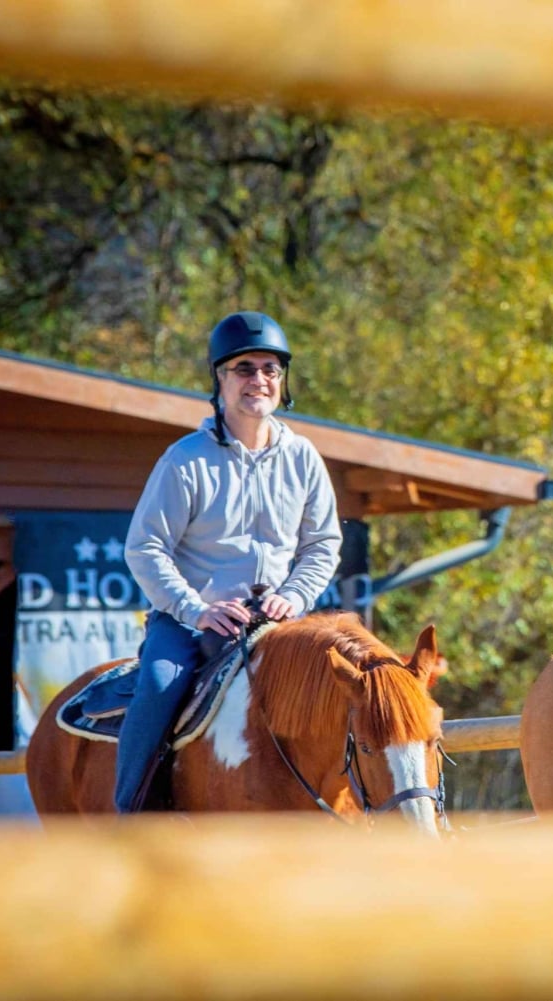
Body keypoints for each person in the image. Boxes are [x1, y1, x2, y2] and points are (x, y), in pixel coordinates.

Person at [115, 310, 342, 812]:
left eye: (270, 369)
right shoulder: (184, 459)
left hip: (280, 623)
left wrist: (295, 595)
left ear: (283, 381)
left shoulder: (304, 457)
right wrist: (196, 609)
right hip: (192, 625)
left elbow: (322, 544)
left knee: (351, 684)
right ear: (219, 378)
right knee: (159, 685)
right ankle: (132, 811)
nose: (258, 380)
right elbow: (145, 547)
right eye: (244, 369)